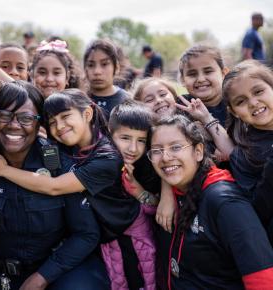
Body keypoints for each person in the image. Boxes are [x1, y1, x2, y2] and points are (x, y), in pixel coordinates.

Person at [0, 89, 151, 287]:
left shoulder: (107, 157)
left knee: (138, 280)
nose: (59, 126)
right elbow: (22, 97)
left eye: (65, 117)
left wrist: (4, 171)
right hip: (106, 238)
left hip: (127, 232)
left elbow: (54, 187)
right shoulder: (68, 148)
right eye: (53, 121)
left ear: (87, 114)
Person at [0, 81, 109, 290]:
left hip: (56, 273)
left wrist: (42, 278)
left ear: (39, 123)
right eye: (4, 115)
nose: (14, 125)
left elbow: (86, 234)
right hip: (0, 276)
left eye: (26, 118)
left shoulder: (56, 162)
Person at [148, 114, 273, 289]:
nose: (165, 157)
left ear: (198, 151)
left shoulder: (224, 201)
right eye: (156, 150)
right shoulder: (175, 192)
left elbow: (263, 278)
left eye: (176, 147)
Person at [103, 100, 160, 290]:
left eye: (141, 140)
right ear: (110, 134)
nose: (133, 148)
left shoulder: (149, 167)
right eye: (125, 138)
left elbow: (155, 205)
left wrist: (138, 190)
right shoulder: (99, 166)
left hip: (143, 248)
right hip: (111, 248)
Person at [222, 60, 273, 200]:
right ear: (234, 112)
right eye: (241, 101)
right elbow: (258, 211)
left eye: (258, 92)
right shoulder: (242, 157)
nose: (253, 103)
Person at [83, 39, 129, 120]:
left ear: (117, 68)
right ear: (85, 69)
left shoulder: (127, 101)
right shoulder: (79, 101)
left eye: (104, 64)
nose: (97, 71)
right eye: (91, 65)